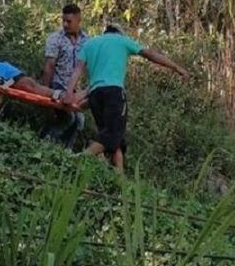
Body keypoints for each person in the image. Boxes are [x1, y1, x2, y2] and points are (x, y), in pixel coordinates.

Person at [64, 24, 189, 173]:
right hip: (114, 93)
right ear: (119, 33)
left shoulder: (89, 44)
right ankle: (79, 159)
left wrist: (69, 93)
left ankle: (120, 179)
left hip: (95, 95)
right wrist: (176, 67)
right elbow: (149, 54)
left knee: (115, 138)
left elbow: (77, 70)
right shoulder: (122, 40)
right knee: (111, 134)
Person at [40, 4, 87, 147]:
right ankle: (45, 141)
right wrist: (45, 92)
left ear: (79, 20)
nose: (66, 24)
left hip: (74, 89)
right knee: (68, 118)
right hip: (58, 85)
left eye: (69, 21)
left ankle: (65, 150)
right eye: (64, 21)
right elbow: (49, 66)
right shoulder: (56, 39)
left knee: (80, 121)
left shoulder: (86, 40)